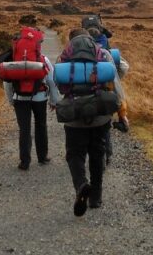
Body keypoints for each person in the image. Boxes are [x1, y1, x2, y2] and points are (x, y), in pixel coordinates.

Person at [56, 28, 125, 216]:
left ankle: (81, 185)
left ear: (71, 41)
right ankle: (96, 198)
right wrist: (121, 111)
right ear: (90, 39)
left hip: (74, 114)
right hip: (100, 114)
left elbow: (60, 85)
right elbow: (115, 84)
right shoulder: (103, 53)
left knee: (74, 154)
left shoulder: (64, 56)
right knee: (97, 154)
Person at [3, 28, 59, 171]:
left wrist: (11, 99)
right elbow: (52, 81)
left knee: (24, 129)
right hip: (40, 97)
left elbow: (7, 82)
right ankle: (42, 156)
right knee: (41, 125)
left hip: (20, 98)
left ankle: (24, 162)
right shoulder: (43, 59)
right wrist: (54, 100)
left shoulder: (13, 60)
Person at [86, 28, 130, 166]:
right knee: (105, 126)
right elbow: (122, 70)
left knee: (88, 127)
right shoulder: (106, 53)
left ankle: (89, 154)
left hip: (85, 95)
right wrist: (122, 111)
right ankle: (107, 155)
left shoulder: (79, 53)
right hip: (106, 95)